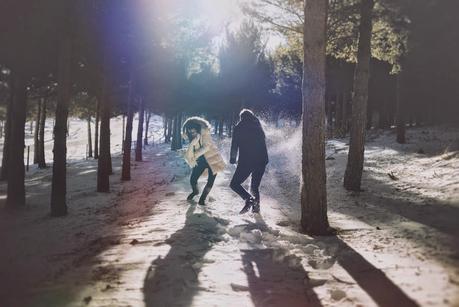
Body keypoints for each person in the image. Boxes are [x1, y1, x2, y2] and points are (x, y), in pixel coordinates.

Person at [230, 109, 268, 214]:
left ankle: (248, 199)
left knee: (234, 184)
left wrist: (232, 159)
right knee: (254, 186)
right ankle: (256, 210)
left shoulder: (239, 128)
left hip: (246, 161)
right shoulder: (258, 127)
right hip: (261, 160)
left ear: (241, 117)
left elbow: (234, 145)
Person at [182, 117, 226, 206]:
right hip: (201, 160)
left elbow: (206, 147)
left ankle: (202, 199)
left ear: (196, 127)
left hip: (212, 159)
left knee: (210, 181)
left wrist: (194, 155)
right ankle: (195, 191)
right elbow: (191, 145)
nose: (190, 132)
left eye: (192, 129)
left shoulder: (204, 133)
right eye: (189, 130)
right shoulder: (190, 134)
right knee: (193, 179)